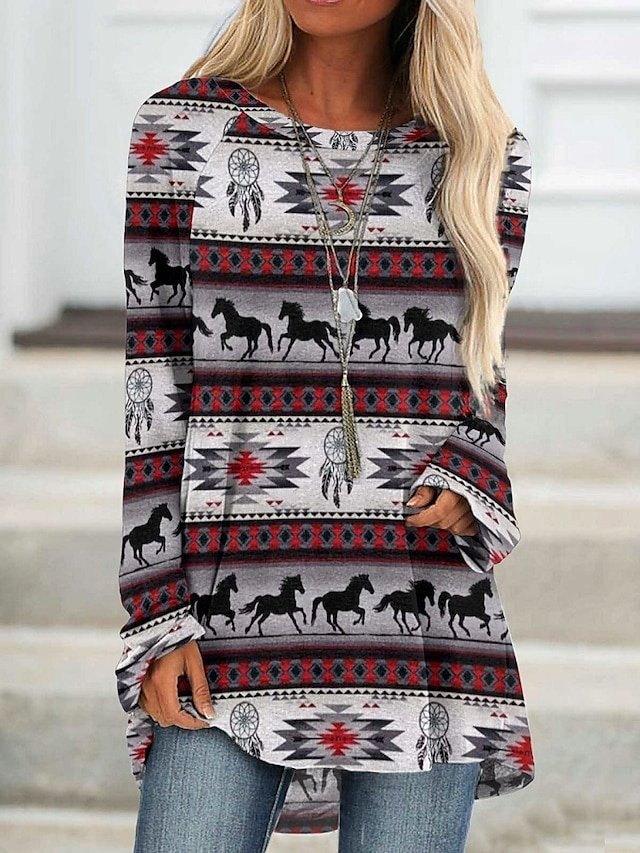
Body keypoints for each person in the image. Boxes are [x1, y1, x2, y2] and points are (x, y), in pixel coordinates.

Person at [116, 1, 535, 851]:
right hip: (228, 615)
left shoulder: (482, 151)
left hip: (422, 616)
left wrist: (472, 471)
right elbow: (153, 386)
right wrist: (156, 611)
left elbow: (479, 364)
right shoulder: (183, 129)